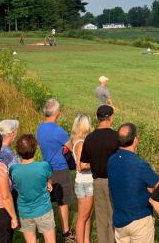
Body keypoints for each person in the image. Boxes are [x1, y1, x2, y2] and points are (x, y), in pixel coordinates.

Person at [108, 123, 159, 243]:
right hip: (139, 220)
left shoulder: (111, 161)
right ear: (135, 140)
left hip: (119, 220)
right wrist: (151, 191)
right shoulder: (140, 164)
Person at [36, 98, 74, 241]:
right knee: (63, 203)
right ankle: (65, 232)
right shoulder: (59, 131)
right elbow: (72, 148)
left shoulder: (40, 128)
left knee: (48, 201)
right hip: (60, 168)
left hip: (47, 168)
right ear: (57, 112)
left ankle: (46, 229)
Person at [80, 105, 118, 243]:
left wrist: (96, 164)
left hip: (97, 182)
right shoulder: (116, 137)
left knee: (101, 218)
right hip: (114, 181)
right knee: (114, 215)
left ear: (97, 118)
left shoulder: (89, 138)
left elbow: (83, 165)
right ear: (110, 118)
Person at [10, 134, 56, 243]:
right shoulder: (44, 166)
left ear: (17, 151)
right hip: (43, 209)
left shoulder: (13, 169)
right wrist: (49, 183)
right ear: (35, 148)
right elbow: (49, 178)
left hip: (24, 212)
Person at [71, 114, 94, 243]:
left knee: (87, 216)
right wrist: (98, 162)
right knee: (82, 217)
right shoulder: (80, 143)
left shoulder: (81, 141)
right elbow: (81, 166)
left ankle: (86, 240)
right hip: (85, 184)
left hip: (87, 183)